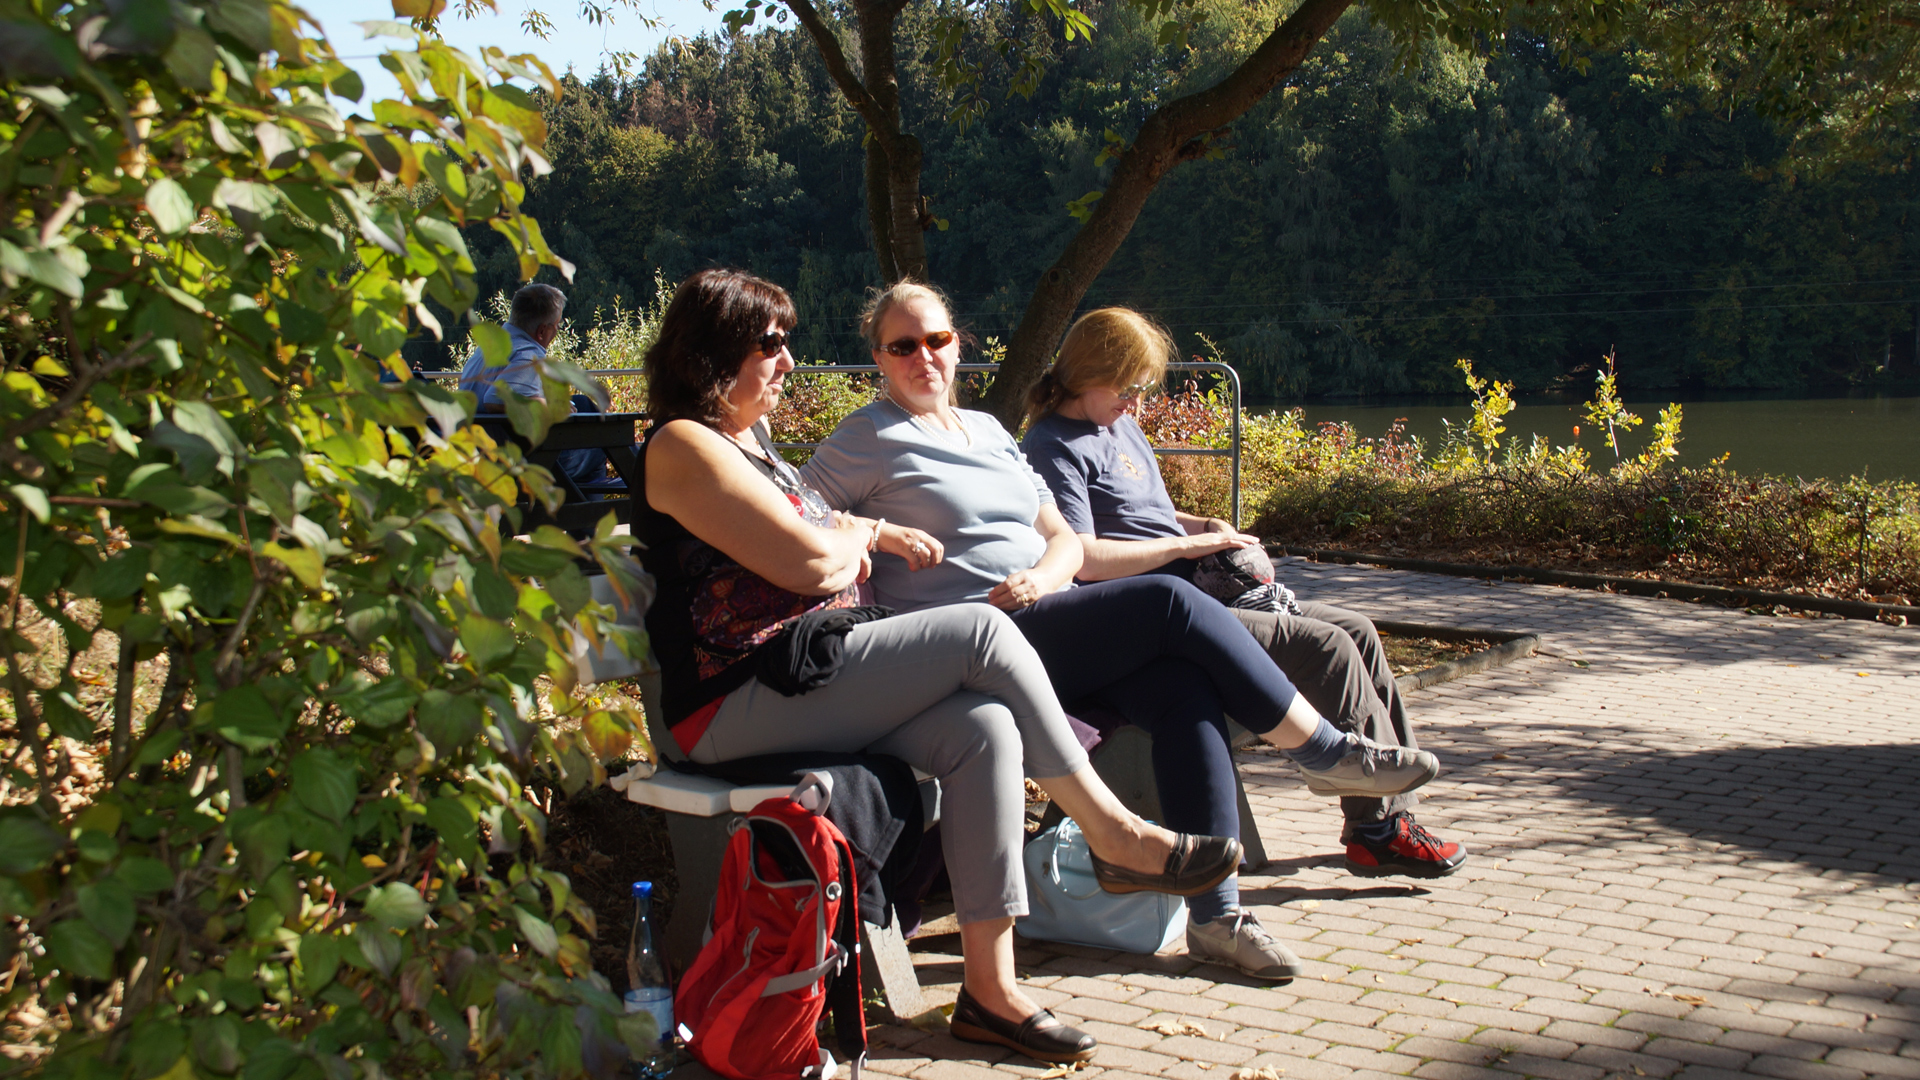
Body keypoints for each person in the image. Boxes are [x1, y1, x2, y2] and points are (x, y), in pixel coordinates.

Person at [635, 268, 1244, 1065]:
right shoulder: (681, 443)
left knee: (984, 727)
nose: (789, 363)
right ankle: (1116, 834)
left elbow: (825, 530)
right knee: (980, 635)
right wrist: (863, 535)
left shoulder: (751, 445)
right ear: (716, 352)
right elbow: (811, 565)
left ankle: (991, 995)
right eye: (772, 344)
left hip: (802, 673)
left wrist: (861, 531)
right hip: (729, 703)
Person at [800, 281, 1441, 985]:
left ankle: (1217, 917)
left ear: (960, 344)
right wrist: (878, 531)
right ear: (879, 359)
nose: (924, 357)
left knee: (1182, 689)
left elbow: (1063, 540)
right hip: (965, 643)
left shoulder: (987, 432)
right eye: (903, 346)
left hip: (1041, 618)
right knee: (1167, 601)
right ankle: (1323, 751)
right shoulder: (866, 437)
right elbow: (794, 511)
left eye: (937, 340)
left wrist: (1045, 578)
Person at [1021, 307, 1468, 880]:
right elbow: (1086, 558)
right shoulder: (1053, 446)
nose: (1136, 403)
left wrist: (1201, 526)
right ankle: (1378, 829)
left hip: (1204, 588)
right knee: (1327, 648)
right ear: (1088, 371)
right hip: (1160, 619)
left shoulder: (1118, 424)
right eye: (1128, 388)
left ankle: (1381, 824)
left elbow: (1146, 516)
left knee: (1357, 628)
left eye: (1143, 389)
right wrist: (1181, 552)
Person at [458, 282, 604, 485]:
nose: (557, 330)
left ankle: (568, 509)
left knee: (582, 403)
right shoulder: (528, 354)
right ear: (542, 331)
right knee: (601, 446)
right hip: (514, 465)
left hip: (477, 458)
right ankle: (583, 514)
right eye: (557, 325)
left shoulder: (484, 351)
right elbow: (495, 398)